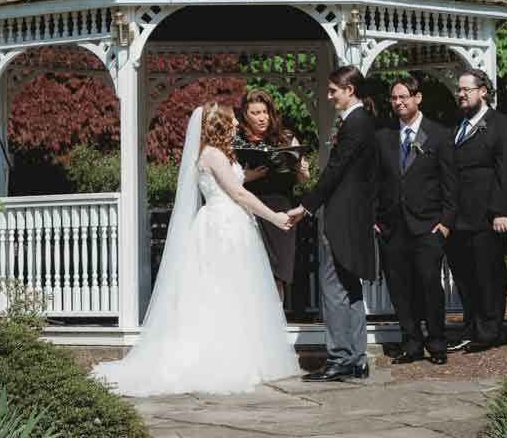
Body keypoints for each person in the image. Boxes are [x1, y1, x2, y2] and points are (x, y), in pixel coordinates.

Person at [93, 103, 298, 396]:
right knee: (223, 290)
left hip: (229, 223)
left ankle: (242, 352)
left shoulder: (218, 154)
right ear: (220, 125)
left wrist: (250, 175)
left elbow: (234, 182)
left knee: (235, 290)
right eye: (232, 121)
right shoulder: (213, 154)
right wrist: (274, 217)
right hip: (223, 225)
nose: (237, 125)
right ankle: (223, 358)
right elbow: (238, 193)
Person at [287, 66, 379, 382]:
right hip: (354, 217)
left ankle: (340, 358)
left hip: (344, 219)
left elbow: (335, 171)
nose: (329, 97)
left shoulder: (356, 123)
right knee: (349, 288)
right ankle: (356, 359)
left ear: (349, 89)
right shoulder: (360, 121)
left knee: (333, 288)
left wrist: (305, 206)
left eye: (333, 91)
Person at [374, 76, 457, 364]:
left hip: (428, 225)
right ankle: (411, 343)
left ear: (417, 98)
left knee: (430, 285)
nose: (398, 102)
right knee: (399, 288)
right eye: (394, 98)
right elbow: (373, 181)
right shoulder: (383, 136)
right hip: (391, 226)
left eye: (403, 97)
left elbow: (451, 182)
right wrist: (375, 219)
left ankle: (437, 343)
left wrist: (445, 222)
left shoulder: (439, 135)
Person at [445, 69, 507, 350]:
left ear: (483, 91)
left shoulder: (504, 126)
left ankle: (490, 332)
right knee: (464, 276)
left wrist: (501, 211)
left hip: (488, 216)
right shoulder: (457, 127)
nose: (461, 94)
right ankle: (471, 328)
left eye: (466, 89)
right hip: (458, 217)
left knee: (488, 274)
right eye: (459, 90)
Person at [236, 89, 310, 302]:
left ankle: (276, 315)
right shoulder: (237, 141)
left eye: (264, 112)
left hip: (282, 208)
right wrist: (247, 176)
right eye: (255, 113)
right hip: (251, 209)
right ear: (246, 115)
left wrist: (303, 172)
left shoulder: (287, 137)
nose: (261, 117)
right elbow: (226, 180)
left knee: (279, 272)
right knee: (252, 270)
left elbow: (303, 180)